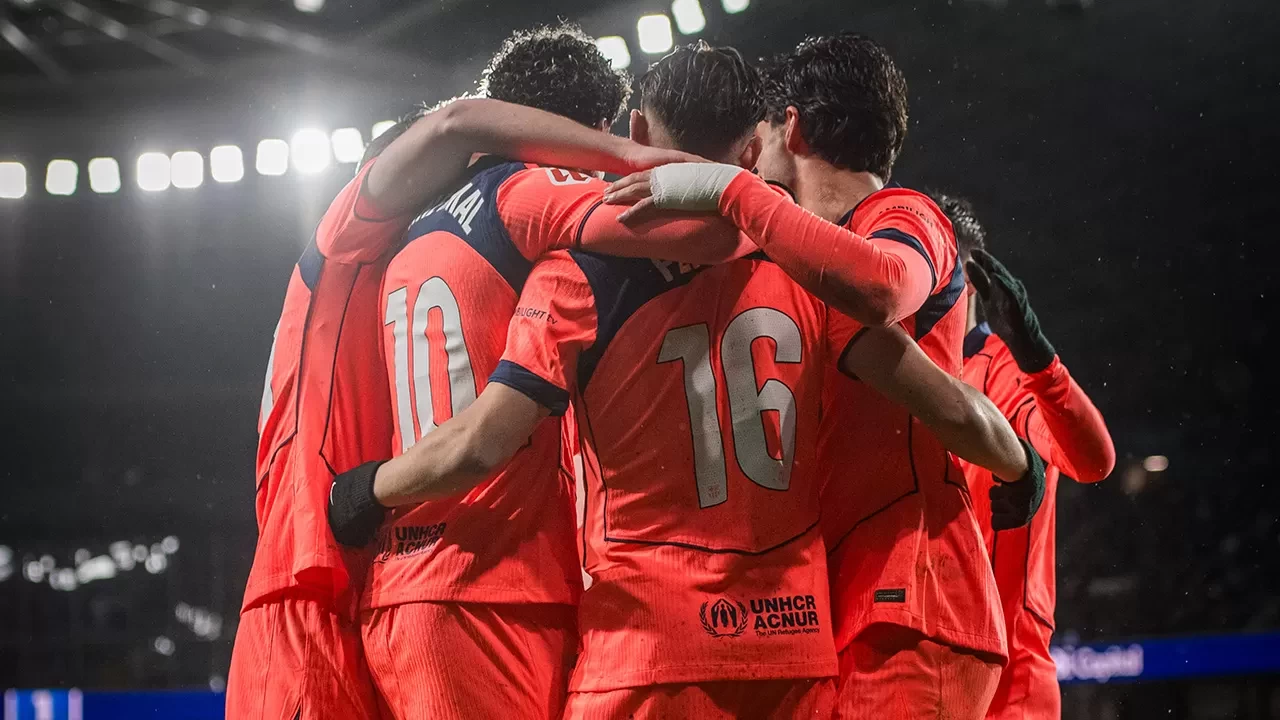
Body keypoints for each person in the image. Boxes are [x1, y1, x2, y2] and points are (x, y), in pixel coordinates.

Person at [331, 42, 1043, 720]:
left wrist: (365, 490)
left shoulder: (574, 274)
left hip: (643, 650)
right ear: (754, 149)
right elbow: (951, 408)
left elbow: (485, 440)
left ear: (637, 131)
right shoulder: (809, 268)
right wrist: (1018, 461)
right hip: (791, 648)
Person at [322, 29, 780, 720]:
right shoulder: (529, 188)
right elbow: (715, 231)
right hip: (489, 580)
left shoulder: (408, 226)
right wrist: (773, 202)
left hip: (408, 580)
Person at [602, 33, 1041, 720]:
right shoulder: (799, 257)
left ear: (792, 128)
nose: (752, 154)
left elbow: (885, 288)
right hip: (853, 602)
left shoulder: (900, 214)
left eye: (761, 135)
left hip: (914, 601)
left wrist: (732, 190)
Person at [225, 92, 703, 719]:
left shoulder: (400, 267)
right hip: (303, 589)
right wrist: (628, 157)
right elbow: (456, 123)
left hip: (368, 578)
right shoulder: (345, 233)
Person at [937, 193, 1115, 720]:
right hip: (916, 672)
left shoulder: (1009, 373)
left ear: (969, 278)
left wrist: (1040, 361)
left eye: (929, 259)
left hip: (1008, 686)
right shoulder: (892, 370)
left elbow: (1093, 461)